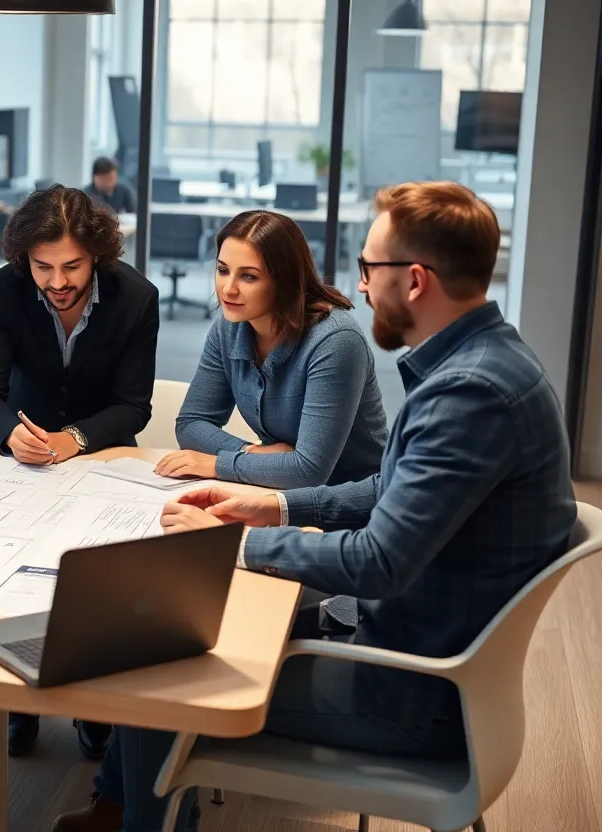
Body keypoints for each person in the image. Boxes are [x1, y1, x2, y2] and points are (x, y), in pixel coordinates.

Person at [52, 181, 578, 832]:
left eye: (368, 268)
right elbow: (383, 492)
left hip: (414, 688)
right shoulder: (483, 363)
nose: (359, 287)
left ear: (413, 280)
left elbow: (378, 561)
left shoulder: (468, 393)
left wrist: (232, 544)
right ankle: (123, 805)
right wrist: (267, 509)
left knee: (157, 668)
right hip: (408, 640)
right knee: (178, 627)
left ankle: (135, 816)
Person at [0, 184, 159, 759]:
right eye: (42, 266)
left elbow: (134, 406)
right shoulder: (3, 290)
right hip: (23, 459)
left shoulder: (136, 297)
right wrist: (8, 433)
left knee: (96, 581)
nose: (56, 281)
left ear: (97, 253)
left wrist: (73, 439)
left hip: (104, 457)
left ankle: (93, 706)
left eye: (71, 266)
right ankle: (18, 700)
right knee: (11, 572)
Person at [156, 210, 388, 491]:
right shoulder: (229, 327)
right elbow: (191, 424)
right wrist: (250, 453)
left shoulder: (335, 340)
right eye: (222, 270)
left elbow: (308, 471)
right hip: (272, 490)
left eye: (249, 277)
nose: (228, 289)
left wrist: (218, 463)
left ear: (284, 280)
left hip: (351, 503)